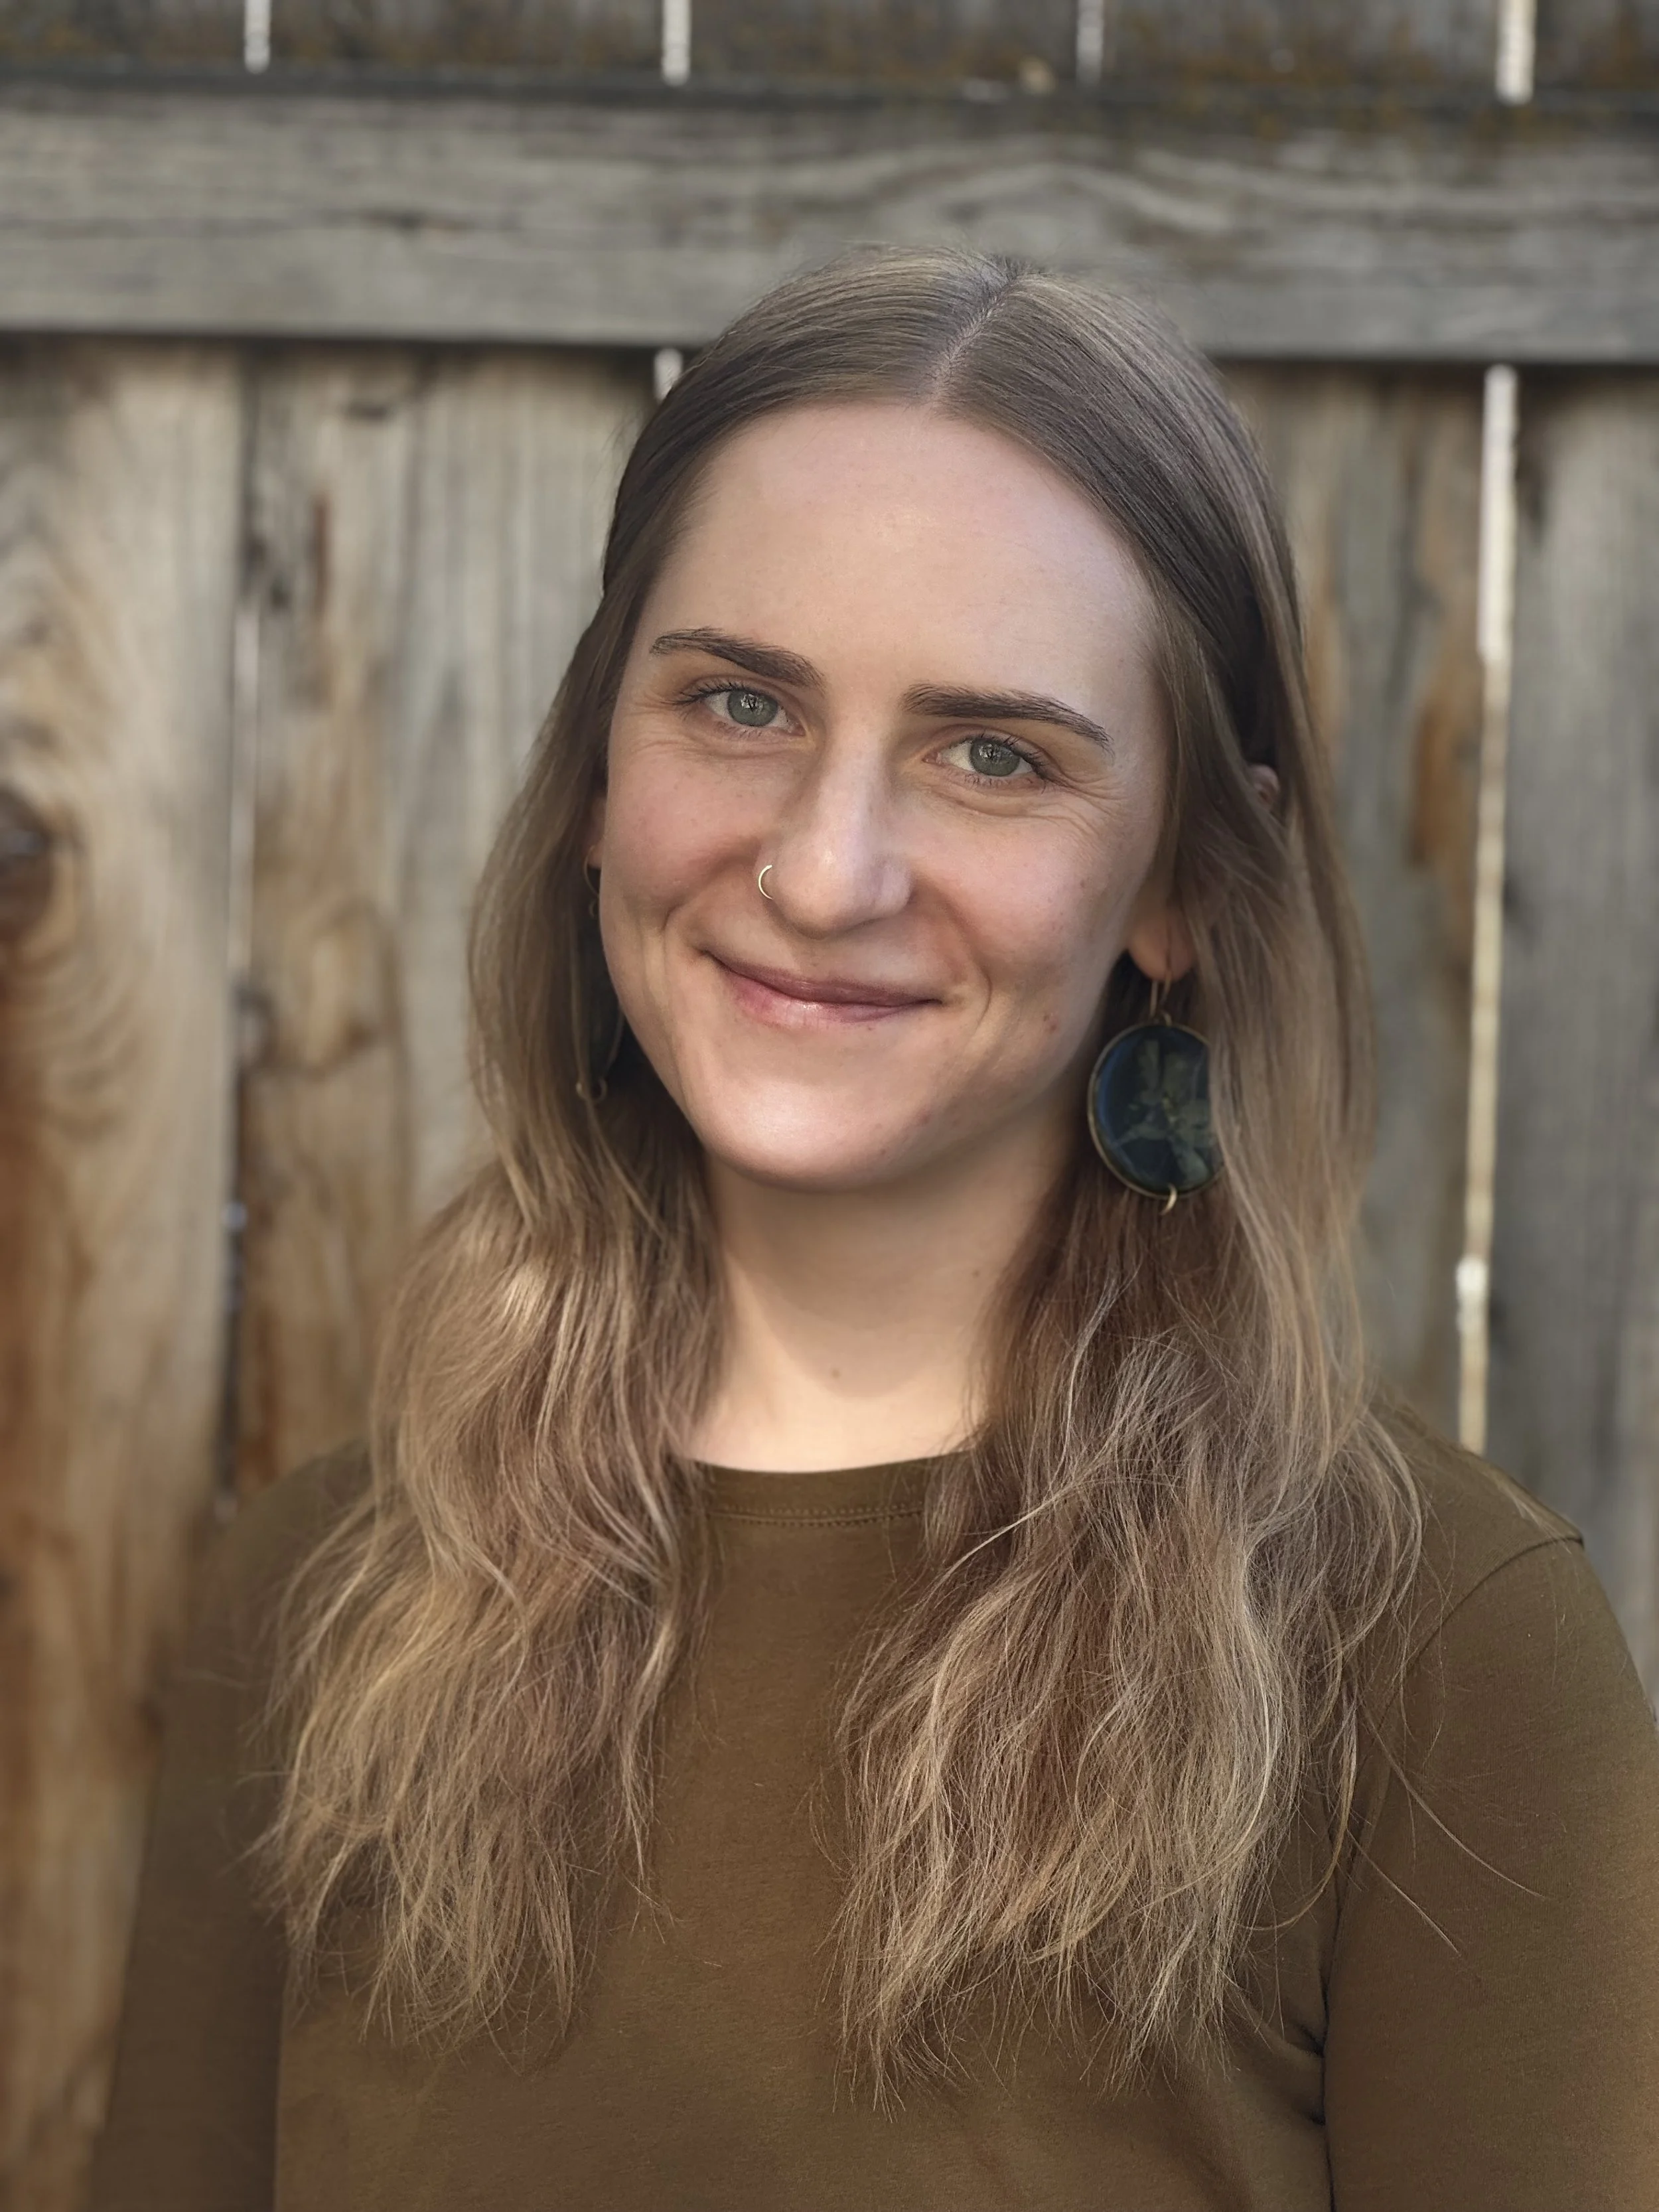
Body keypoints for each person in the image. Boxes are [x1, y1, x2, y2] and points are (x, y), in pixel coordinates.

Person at [91, 246, 1659, 2211]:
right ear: (597, 774)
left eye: (992, 754)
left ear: (1177, 880)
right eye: (740, 703)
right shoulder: (326, 1589)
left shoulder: (1425, 1654)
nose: (827, 871)